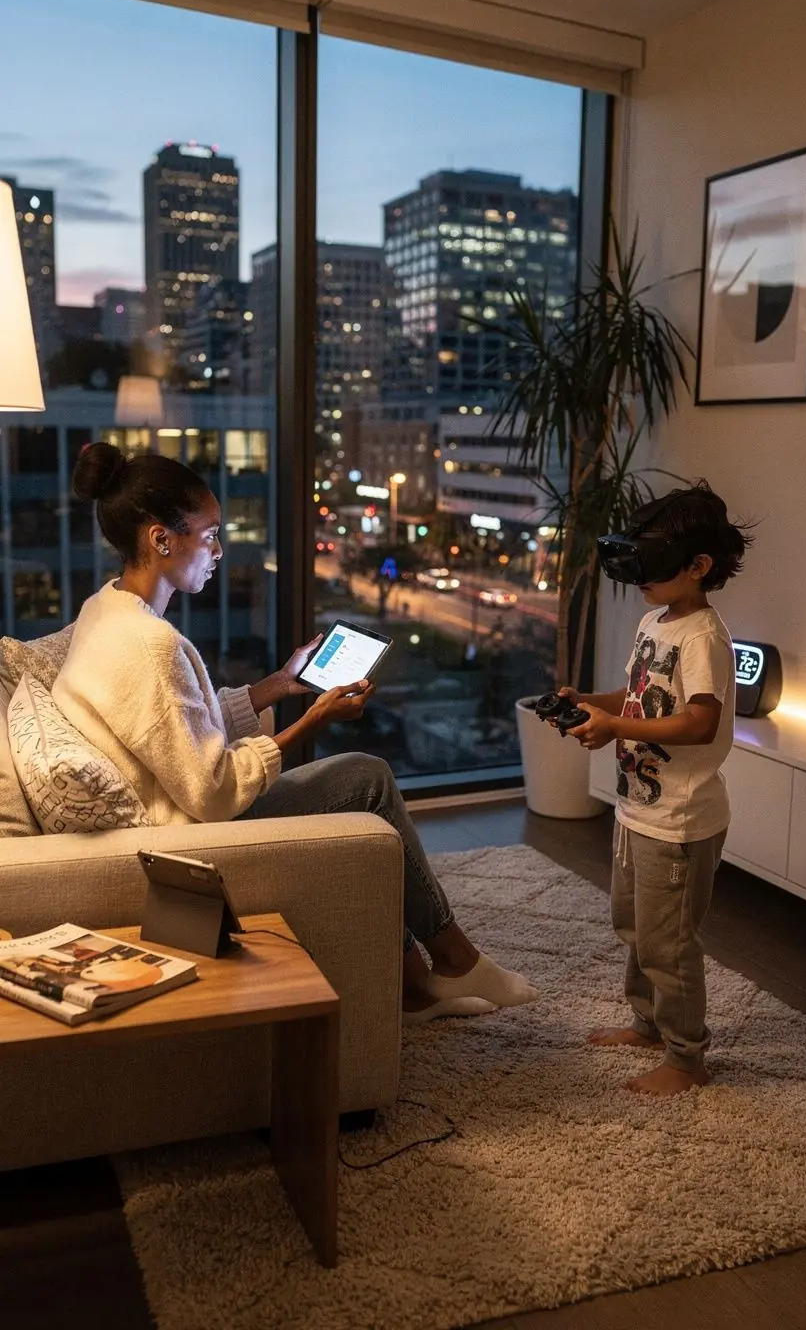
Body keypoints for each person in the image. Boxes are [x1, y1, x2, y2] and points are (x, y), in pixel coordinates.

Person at [54, 442, 538, 1023]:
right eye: (209, 535)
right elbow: (210, 789)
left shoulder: (104, 611)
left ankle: (414, 985)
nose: (218, 551)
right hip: (183, 837)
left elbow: (174, 731)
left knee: (359, 790)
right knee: (367, 780)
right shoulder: (151, 644)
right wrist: (311, 721)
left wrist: (280, 685)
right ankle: (453, 958)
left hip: (169, 812)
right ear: (162, 539)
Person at [556, 483, 751, 1097]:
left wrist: (616, 726)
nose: (639, 578)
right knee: (636, 926)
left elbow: (700, 721)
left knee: (669, 941)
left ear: (698, 567)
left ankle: (688, 1059)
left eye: (653, 564)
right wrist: (591, 703)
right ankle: (647, 1024)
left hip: (681, 819)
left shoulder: (703, 637)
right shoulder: (654, 621)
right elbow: (639, 695)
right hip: (638, 807)